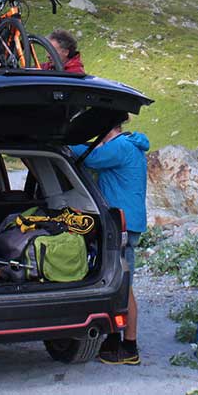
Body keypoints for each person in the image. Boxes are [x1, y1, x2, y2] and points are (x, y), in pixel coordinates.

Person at [71, 119, 149, 365]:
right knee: (118, 283)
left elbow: (92, 158)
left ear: (107, 129)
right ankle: (115, 341)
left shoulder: (121, 146)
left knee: (124, 288)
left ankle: (130, 347)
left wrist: (66, 143)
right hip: (125, 222)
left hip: (123, 224)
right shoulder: (129, 147)